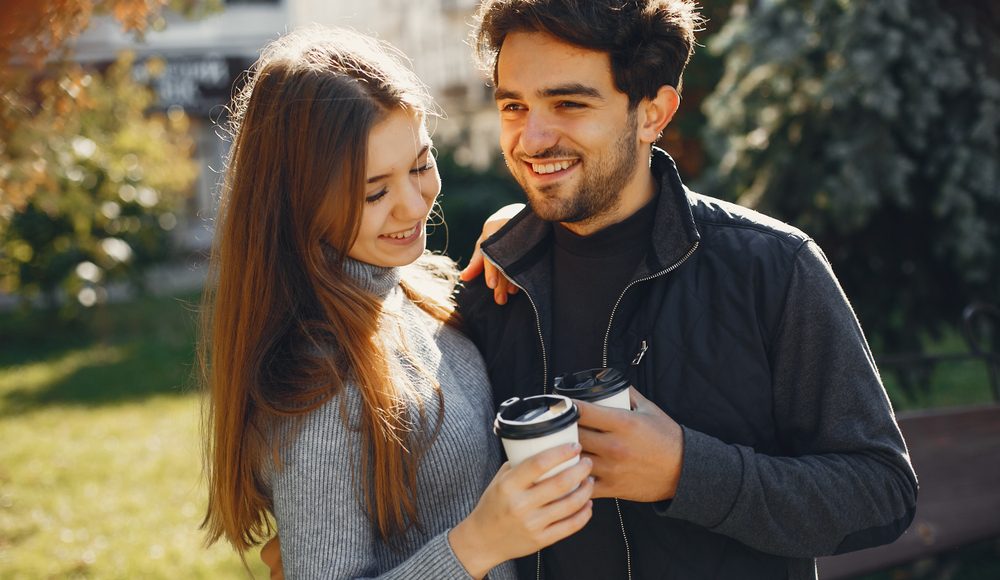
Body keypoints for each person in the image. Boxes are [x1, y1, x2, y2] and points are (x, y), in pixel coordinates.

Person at [455, 1, 919, 579]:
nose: (533, 137)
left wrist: (686, 471)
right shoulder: (487, 287)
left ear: (653, 112)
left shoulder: (772, 268)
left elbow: (882, 492)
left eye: (569, 103)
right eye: (514, 106)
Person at [199, 26, 597, 580]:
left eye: (418, 164)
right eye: (374, 192)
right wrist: (477, 544)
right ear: (298, 201)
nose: (413, 206)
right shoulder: (319, 387)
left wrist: (513, 232)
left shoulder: (411, 289)